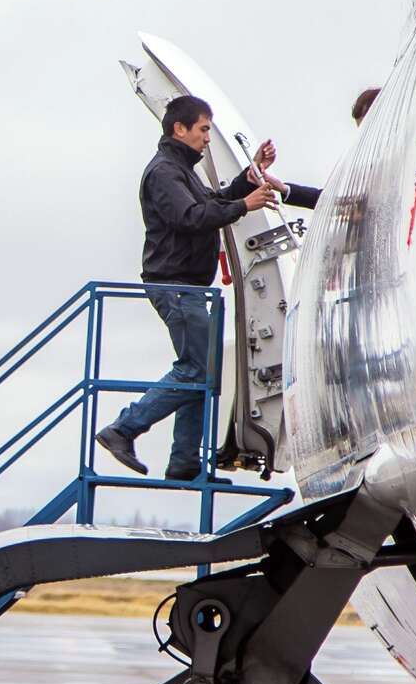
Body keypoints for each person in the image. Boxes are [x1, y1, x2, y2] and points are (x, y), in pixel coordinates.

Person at [95, 94, 316, 483]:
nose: (208, 138)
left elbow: (210, 201)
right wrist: (245, 205)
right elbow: (191, 216)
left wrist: (248, 181)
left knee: (202, 373)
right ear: (179, 129)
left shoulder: (180, 169)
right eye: (203, 129)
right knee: (194, 370)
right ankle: (123, 430)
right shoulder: (165, 172)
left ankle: (184, 462)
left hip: (191, 288)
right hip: (176, 286)